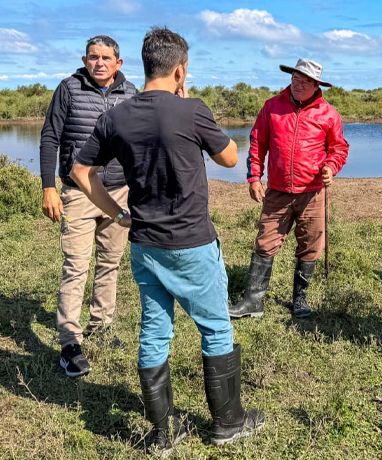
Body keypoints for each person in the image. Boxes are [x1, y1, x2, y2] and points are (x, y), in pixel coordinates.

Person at [70, 27, 263, 454]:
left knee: (155, 332)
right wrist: (187, 101)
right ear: (180, 69)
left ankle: (163, 432)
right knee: (215, 328)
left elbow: (82, 172)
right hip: (192, 241)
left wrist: (117, 213)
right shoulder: (191, 110)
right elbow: (231, 157)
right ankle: (228, 423)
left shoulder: (115, 115)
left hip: (144, 242)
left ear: (143, 65)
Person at [39, 34, 137, 378]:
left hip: (118, 192)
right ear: (84, 59)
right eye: (93, 57)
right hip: (79, 191)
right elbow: (50, 136)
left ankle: (102, 325)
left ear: (118, 63)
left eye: (106, 57)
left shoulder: (131, 94)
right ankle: (70, 341)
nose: (99, 63)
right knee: (76, 265)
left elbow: (139, 143)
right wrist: (49, 186)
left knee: (110, 263)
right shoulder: (68, 88)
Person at [229, 58, 349, 320]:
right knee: (265, 242)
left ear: (316, 85)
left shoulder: (328, 113)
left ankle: (300, 300)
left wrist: (330, 166)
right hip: (278, 191)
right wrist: (254, 178)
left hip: (313, 192)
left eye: (304, 81)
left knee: (310, 245)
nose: (298, 84)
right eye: (295, 78)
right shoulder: (272, 107)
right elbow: (257, 143)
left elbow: (339, 148)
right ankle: (253, 302)